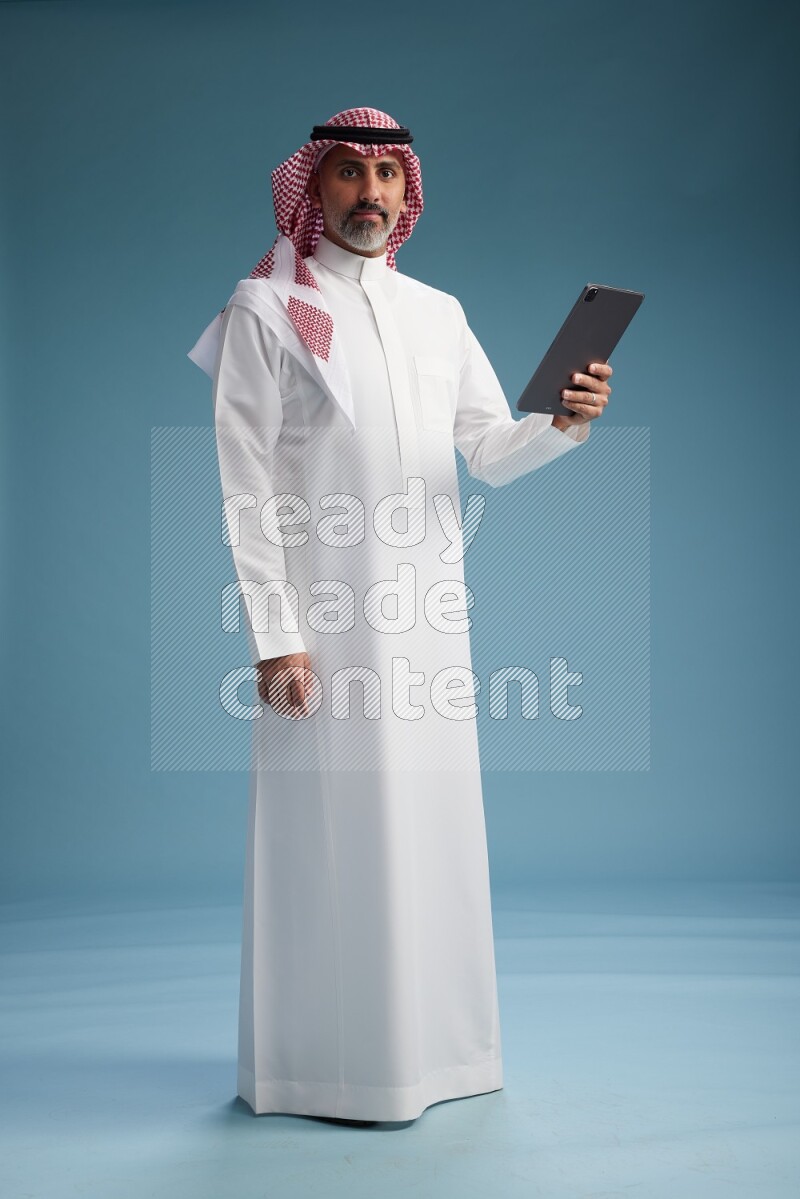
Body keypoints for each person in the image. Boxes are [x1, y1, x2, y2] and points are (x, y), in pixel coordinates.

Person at [188, 107, 611, 1126]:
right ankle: (323, 1066)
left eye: (386, 174)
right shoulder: (264, 308)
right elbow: (244, 489)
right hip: (325, 625)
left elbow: (486, 449)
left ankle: (442, 1055)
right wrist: (274, 636)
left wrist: (559, 424)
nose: (369, 193)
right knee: (328, 837)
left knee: (428, 830)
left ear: (406, 190)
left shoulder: (437, 310)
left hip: (426, 618)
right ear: (311, 188)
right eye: (346, 174)